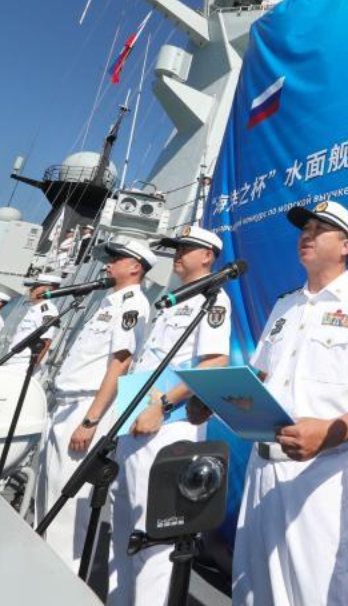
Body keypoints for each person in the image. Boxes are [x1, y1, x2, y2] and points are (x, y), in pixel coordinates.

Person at [201, 200, 348, 606]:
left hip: (321, 474)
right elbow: (260, 379)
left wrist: (326, 433)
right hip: (262, 468)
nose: (306, 236)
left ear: (346, 245)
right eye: (304, 229)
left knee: (314, 593)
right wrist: (217, 400)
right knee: (252, 589)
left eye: (319, 229)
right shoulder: (285, 304)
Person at [110, 226, 232, 606]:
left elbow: (214, 362)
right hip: (135, 418)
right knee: (124, 525)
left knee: (154, 532)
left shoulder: (213, 300)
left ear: (207, 256)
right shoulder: (174, 299)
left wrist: (162, 406)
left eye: (186, 248)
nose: (178, 254)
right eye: (176, 248)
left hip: (168, 424)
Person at [36, 238, 155, 576]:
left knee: (70, 505)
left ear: (134, 266)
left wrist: (90, 421)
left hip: (87, 408)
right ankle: (42, 569)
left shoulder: (133, 304)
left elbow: (120, 365)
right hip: (67, 405)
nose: (107, 264)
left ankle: (61, 581)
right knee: (49, 494)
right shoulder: (109, 302)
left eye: (115, 259)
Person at [8, 274, 64, 370]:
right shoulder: (35, 308)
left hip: (24, 364)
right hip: (15, 361)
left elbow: (46, 340)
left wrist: (31, 369)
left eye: (35, 286)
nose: (31, 289)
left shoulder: (47, 310)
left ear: (48, 289)